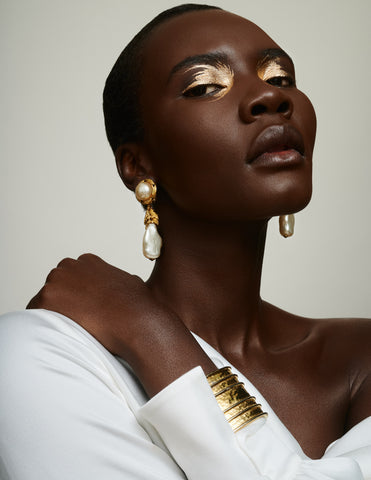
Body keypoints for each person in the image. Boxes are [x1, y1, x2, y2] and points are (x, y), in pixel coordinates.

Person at [0, 4, 370, 479]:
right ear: (137, 165)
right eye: (204, 87)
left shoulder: (360, 359)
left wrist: (149, 330)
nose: (270, 99)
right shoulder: (38, 355)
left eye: (280, 77)